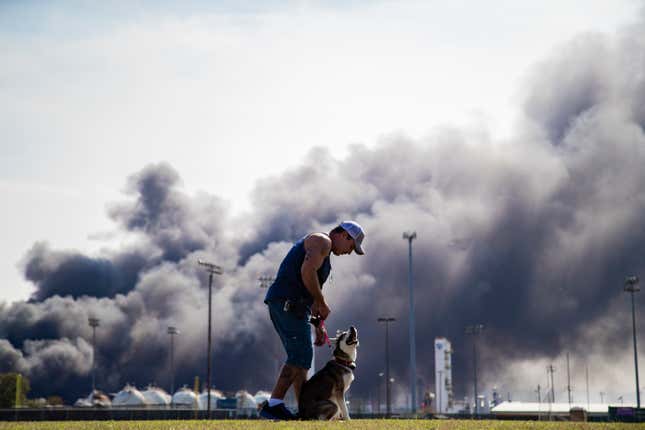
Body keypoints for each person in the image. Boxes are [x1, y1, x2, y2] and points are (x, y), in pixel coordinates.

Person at [259, 220, 366, 420]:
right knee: (300, 356)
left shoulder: (325, 257)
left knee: (301, 357)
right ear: (344, 236)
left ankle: (303, 411)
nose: (350, 252)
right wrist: (321, 301)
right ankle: (274, 405)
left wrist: (319, 326)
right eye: (352, 247)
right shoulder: (321, 241)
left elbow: (312, 293)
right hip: (287, 304)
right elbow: (306, 272)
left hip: (295, 307)